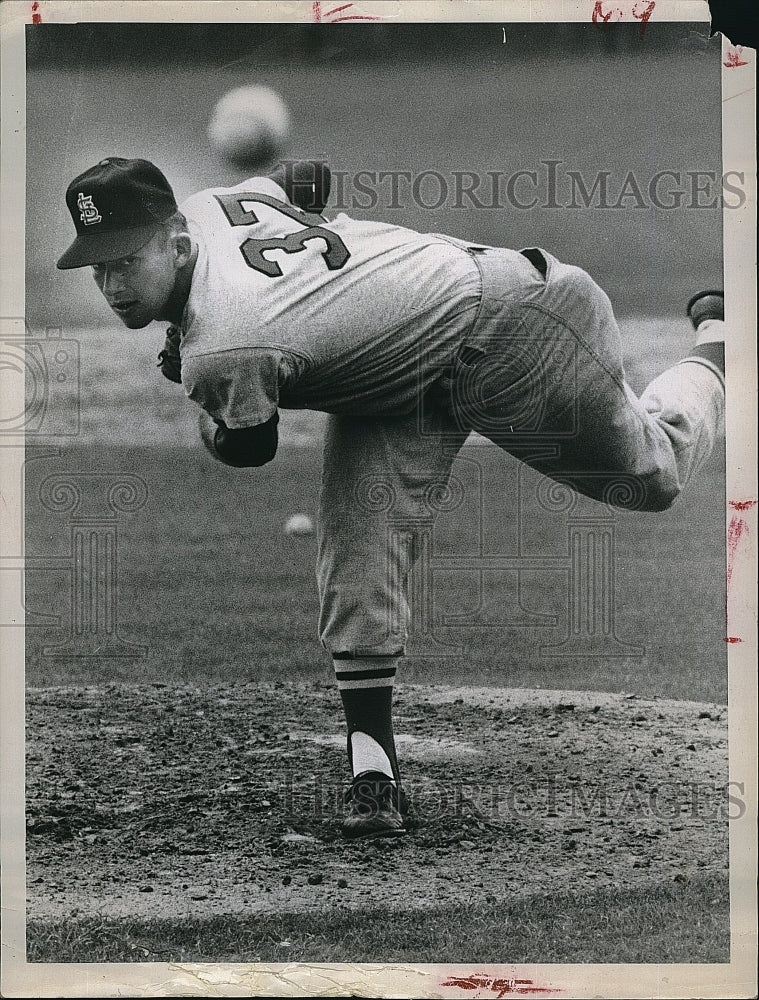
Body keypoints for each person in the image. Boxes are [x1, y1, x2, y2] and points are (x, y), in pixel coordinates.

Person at [57, 156, 725, 840]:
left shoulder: (224, 346)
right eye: (99, 267)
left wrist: (208, 398)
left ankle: (717, 344)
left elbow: (246, 447)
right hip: (395, 376)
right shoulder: (210, 204)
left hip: (509, 322)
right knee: (356, 550)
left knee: (652, 473)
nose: (112, 284)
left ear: (175, 239)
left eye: (126, 261)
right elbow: (304, 176)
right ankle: (373, 781)